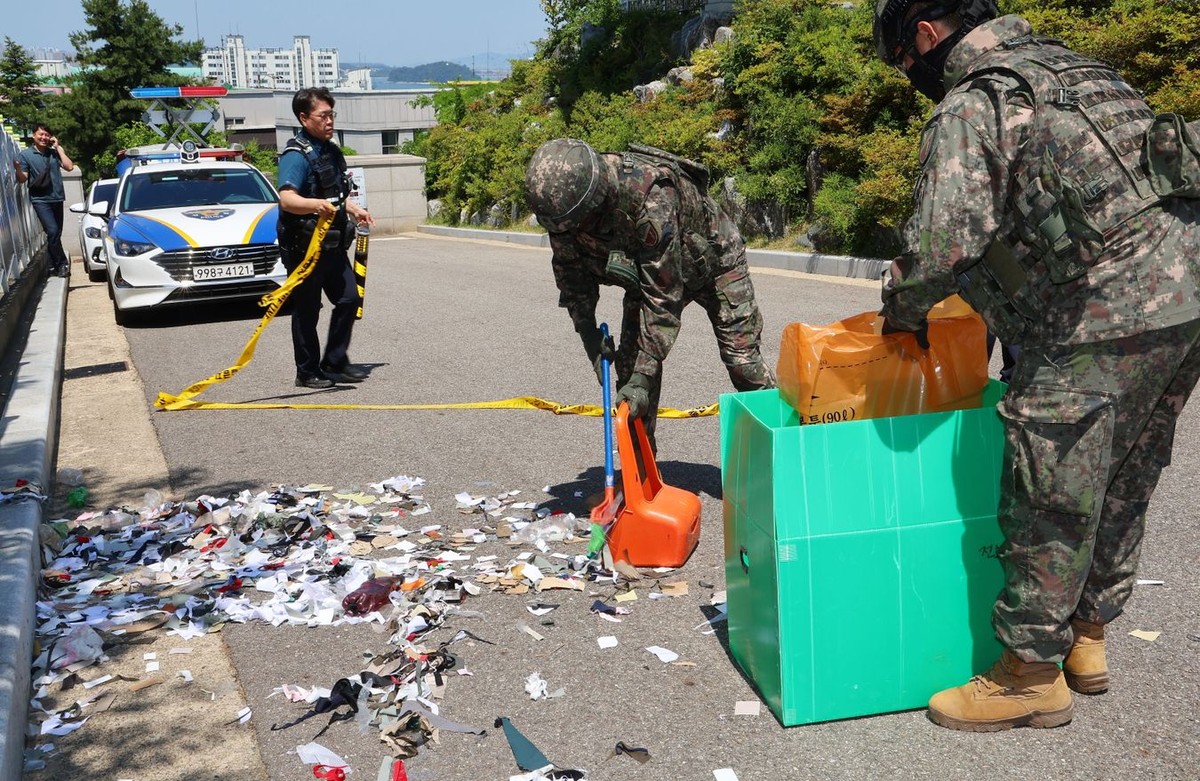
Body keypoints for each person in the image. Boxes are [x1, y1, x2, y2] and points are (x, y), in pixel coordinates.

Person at [873, 0, 1200, 731]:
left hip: (1102, 306)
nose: (912, 79)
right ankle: (1088, 638)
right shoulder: (1080, 71)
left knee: (1049, 479)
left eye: (904, 66)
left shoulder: (977, 99)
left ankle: (1028, 672)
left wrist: (900, 312)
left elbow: (939, 245)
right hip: (1186, 293)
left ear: (925, 36)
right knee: (1122, 470)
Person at [525, 139, 775, 446]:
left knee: (744, 364)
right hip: (647, 274)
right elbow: (571, 274)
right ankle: (640, 479)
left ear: (596, 201)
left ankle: (785, 459)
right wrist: (589, 333)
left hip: (714, 263)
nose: (570, 233)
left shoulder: (650, 200)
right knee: (628, 386)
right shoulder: (565, 212)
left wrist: (645, 378)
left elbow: (663, 299)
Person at [277, 87, 374, 389]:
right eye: (324, 116)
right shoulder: (296, 156)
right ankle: (306, 371)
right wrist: (314, 205)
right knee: (307, 309)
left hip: (332, 246)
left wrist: (353, 208)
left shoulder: (330, 150)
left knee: (349, 298)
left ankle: (334, 360)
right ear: (304, 118)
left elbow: (333, 194)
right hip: (304, 249)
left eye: (332, 114)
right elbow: (286, 199)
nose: (330, 121)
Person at [13, 122, 75, 278]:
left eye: (47, 135)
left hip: (57, 198)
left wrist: (58, 148)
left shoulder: (53, 153)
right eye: (41, 134)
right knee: (52, 231)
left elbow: (69, 167)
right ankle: (61, 264)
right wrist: (18, 169)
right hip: (40, 199)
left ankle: (52, 264)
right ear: (33, 135)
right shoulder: (26, 155)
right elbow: (22, 179)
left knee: (55, 234)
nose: (44, 137)